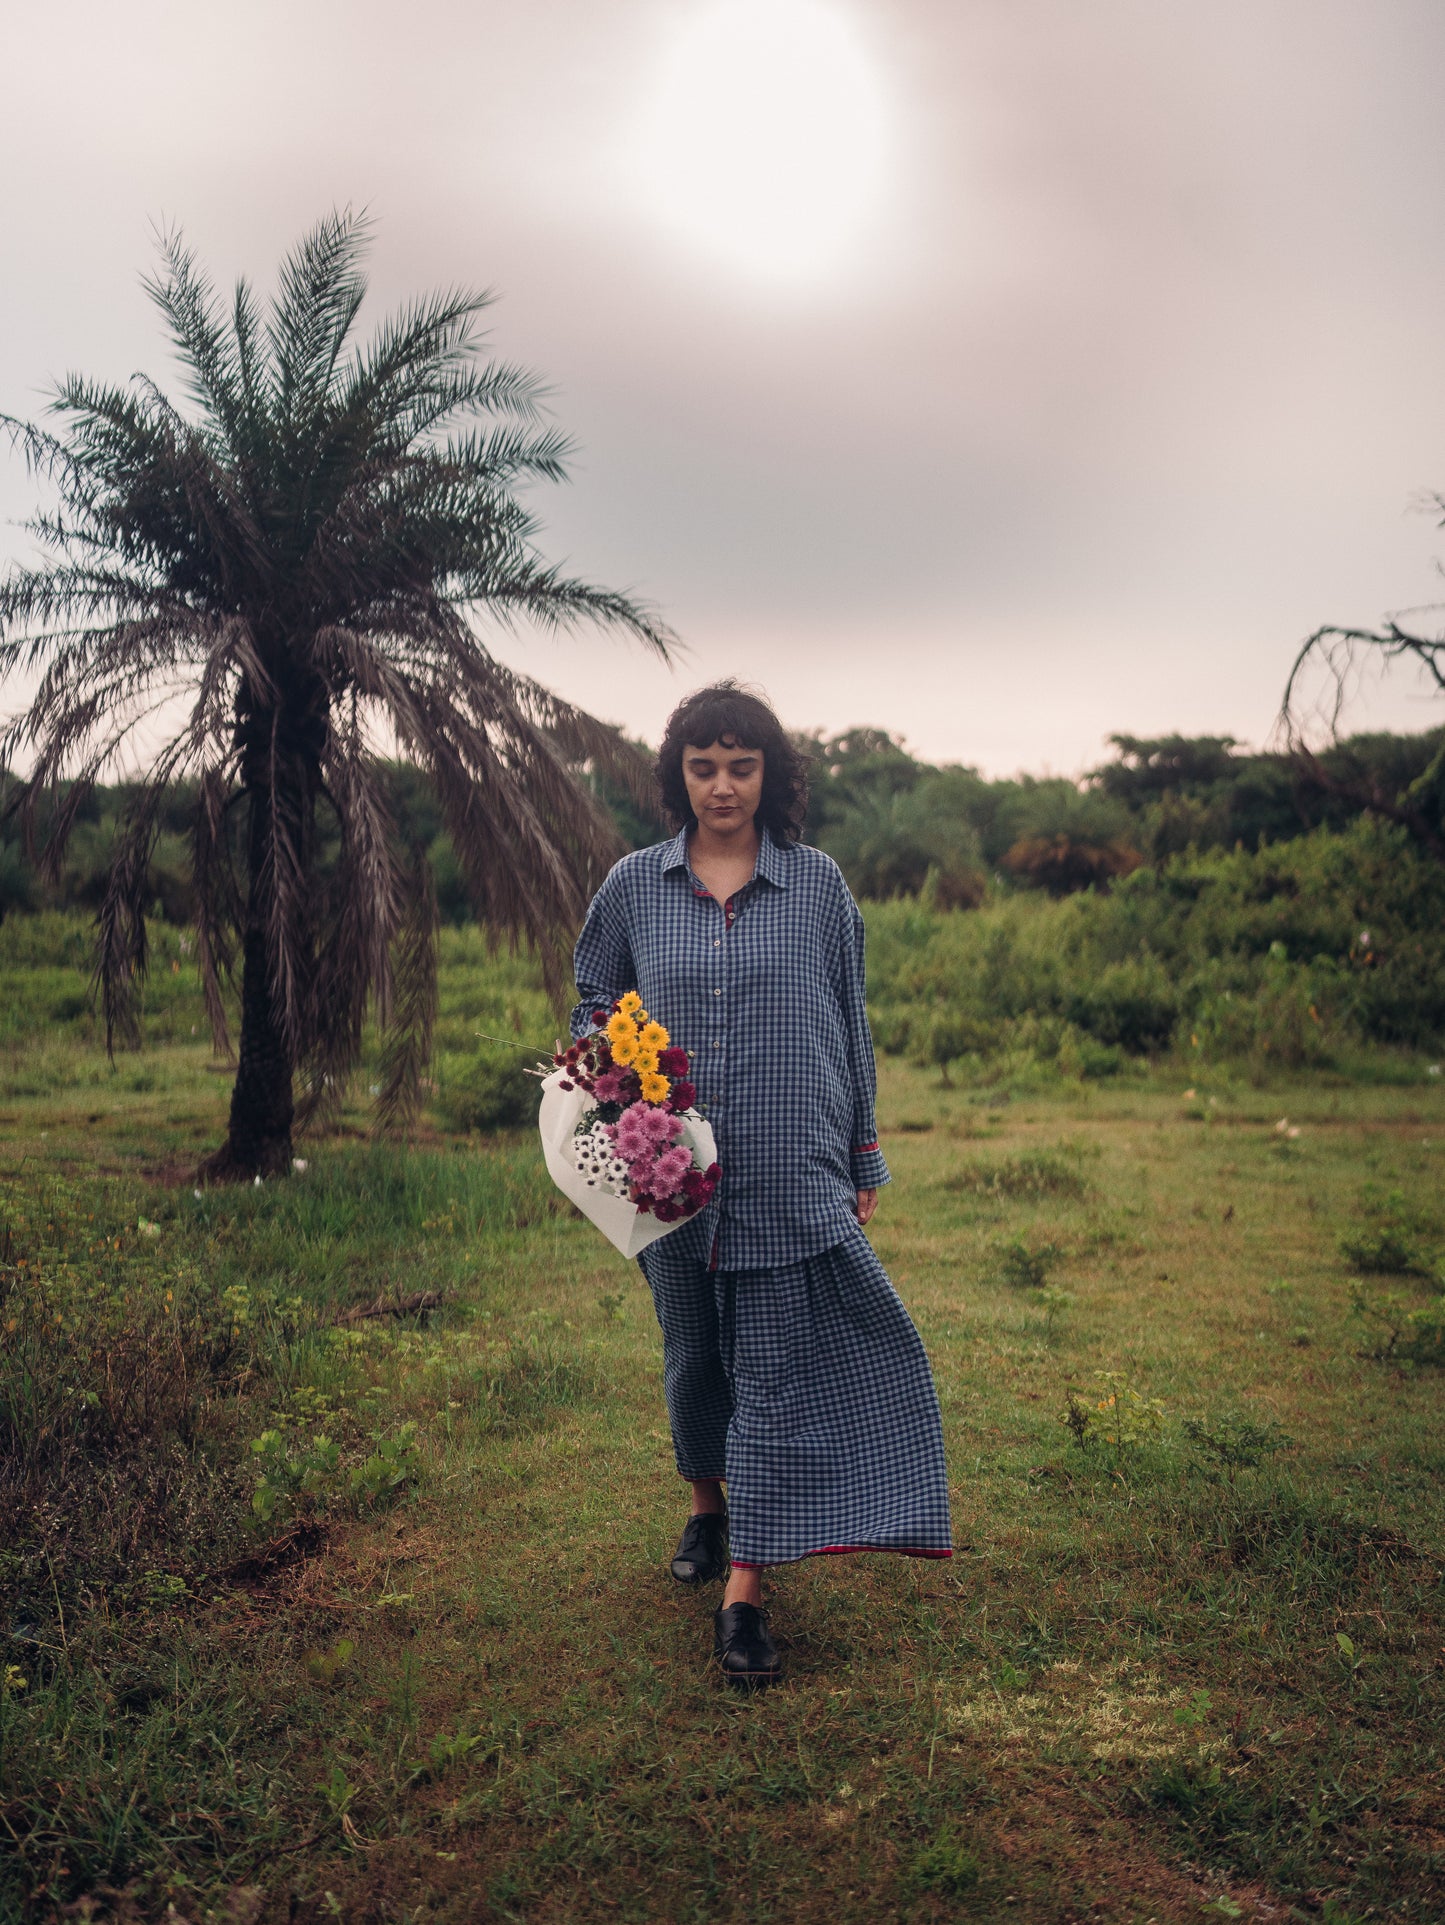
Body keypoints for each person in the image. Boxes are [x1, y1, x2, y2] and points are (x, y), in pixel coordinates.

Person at [570, 683, 952, 1685]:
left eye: (741, 766)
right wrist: (612, 1076)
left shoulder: (817, 885)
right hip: (670, 1176)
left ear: (769, 773)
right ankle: (708, 1507)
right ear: (678, 774)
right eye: (703, 766)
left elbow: (848, 1021)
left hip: (790, 1163)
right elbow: (592, 1001)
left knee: (771, 1373)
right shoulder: (633, 885)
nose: (722, 786)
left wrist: (862, 1150)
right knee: (694, 1355)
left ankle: (744, 1593)